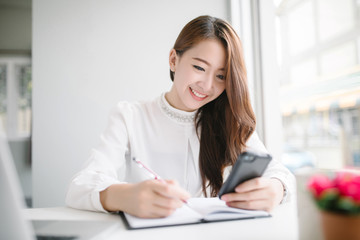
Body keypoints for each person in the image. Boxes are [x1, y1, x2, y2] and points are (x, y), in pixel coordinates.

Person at [65, 15, 295, 219]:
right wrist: (124, 196)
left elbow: (282, 175)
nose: (207, 85)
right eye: (199, 67)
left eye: (221, 76)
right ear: (173, 60)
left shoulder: (230, 120)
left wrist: (276, 188)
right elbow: (80, 187)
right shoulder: (130, 116)